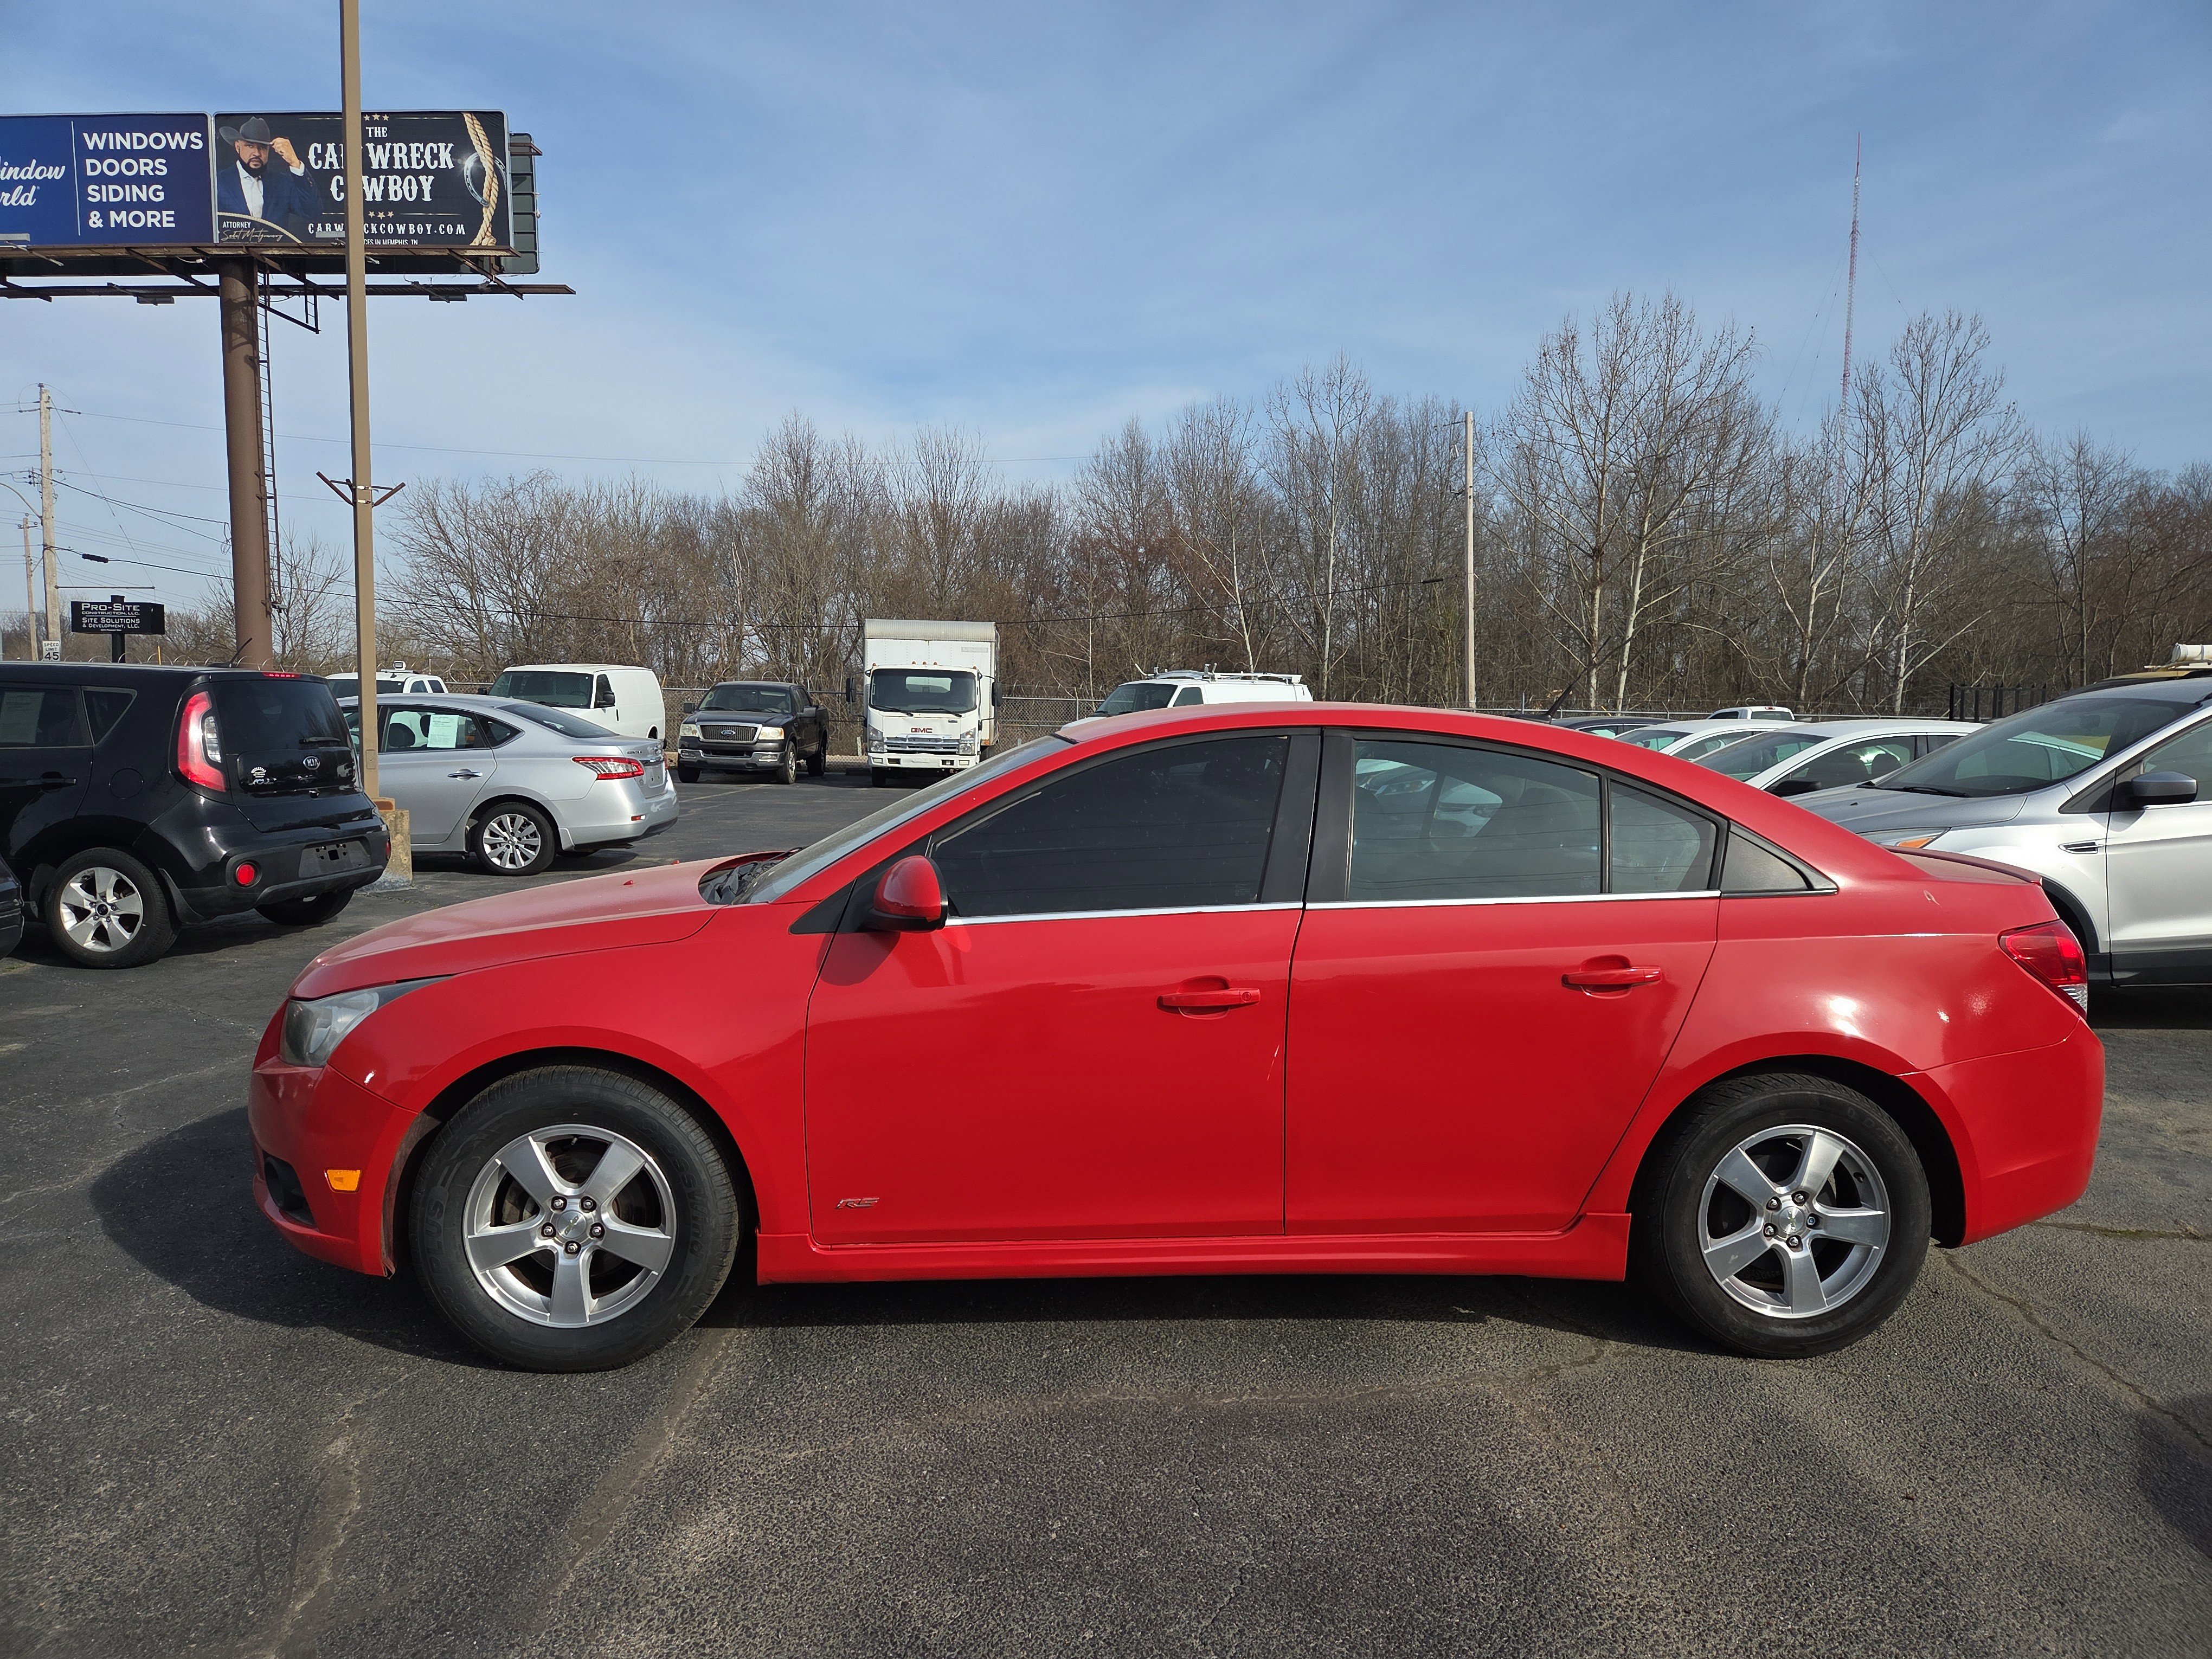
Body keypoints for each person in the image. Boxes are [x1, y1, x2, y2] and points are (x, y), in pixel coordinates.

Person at [215, 117, 321, 240]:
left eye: (263, 147)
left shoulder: (282, 183)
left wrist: (295, 163)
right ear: (238, 147)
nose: (257, 153)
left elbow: (313, 211)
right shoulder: (218, 182)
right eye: (250, 146)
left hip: (275, 253)